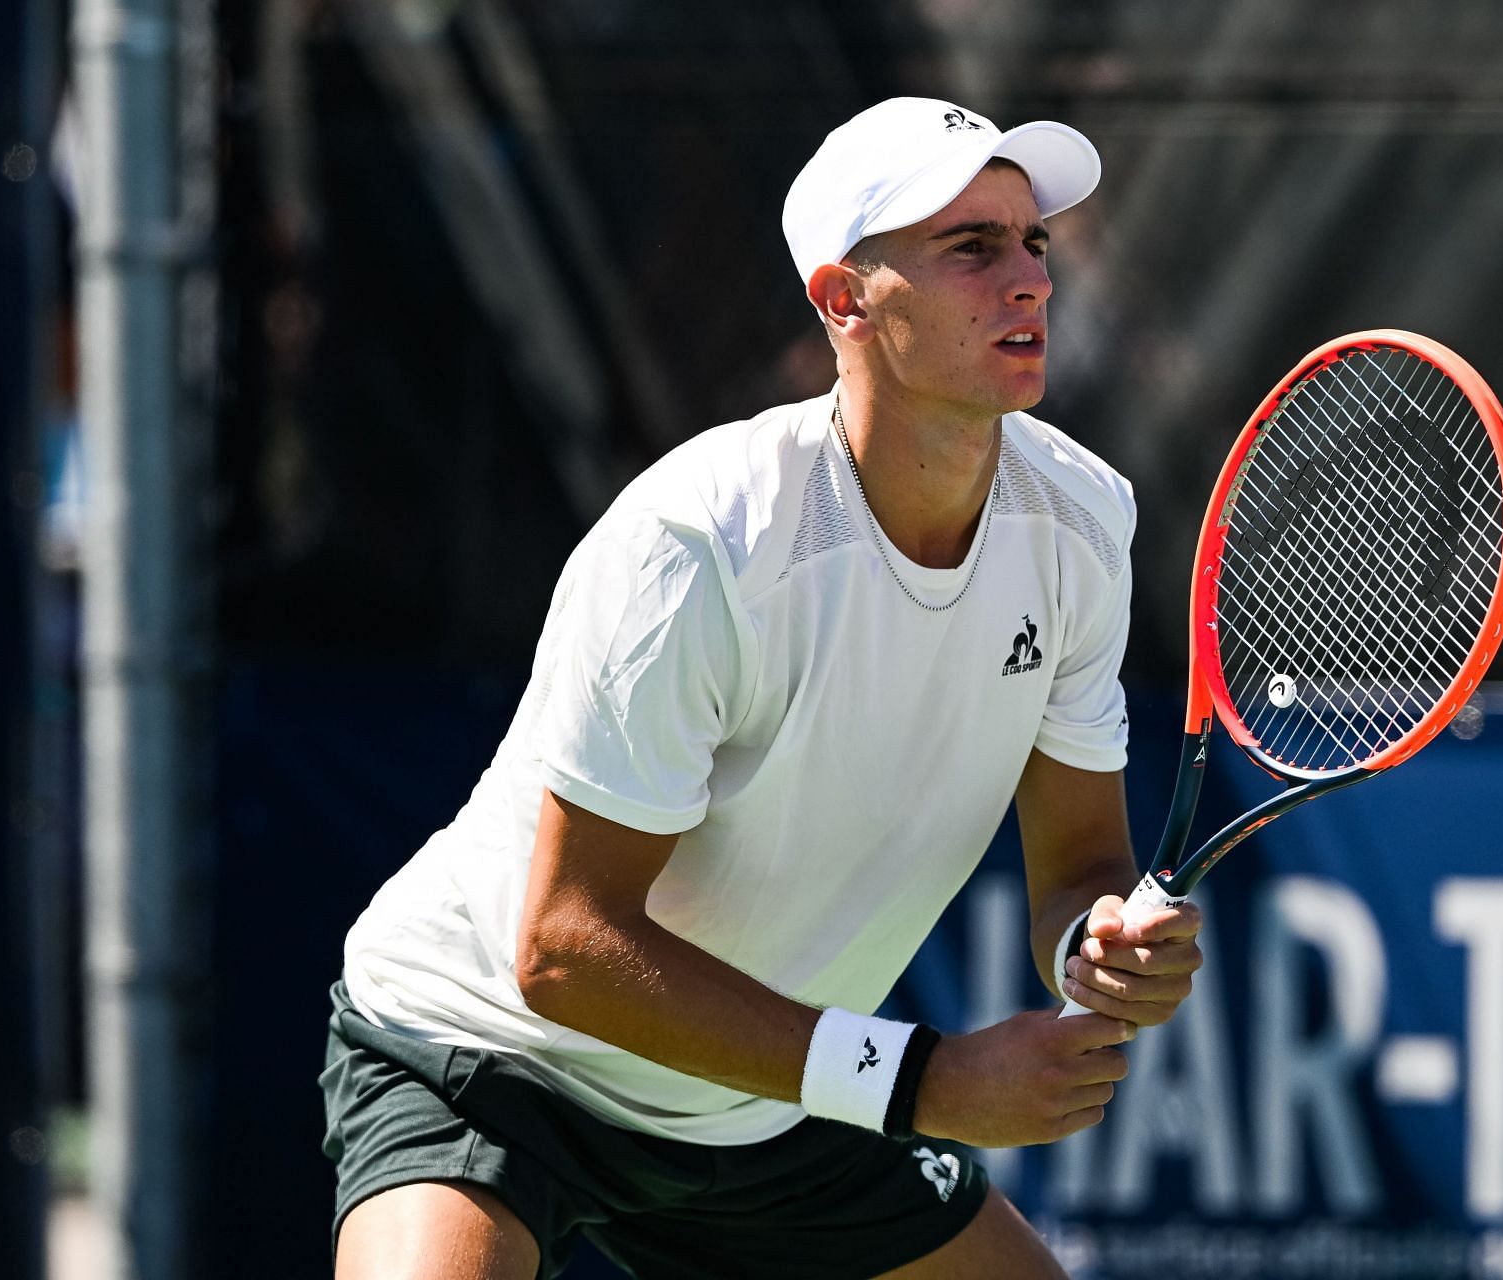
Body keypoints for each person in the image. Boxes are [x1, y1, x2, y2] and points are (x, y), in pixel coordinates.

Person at [321, 96, 1205, 1280]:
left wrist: (1095, 944)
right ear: (845, 299)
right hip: (492, 1055)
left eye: (1032, 240)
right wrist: (923, 1080)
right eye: (971, 247)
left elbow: (1081, 873)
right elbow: (565, 947)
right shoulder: (702, 543)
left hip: (761, 1105)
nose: (1030, 279)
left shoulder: (1083, 521)